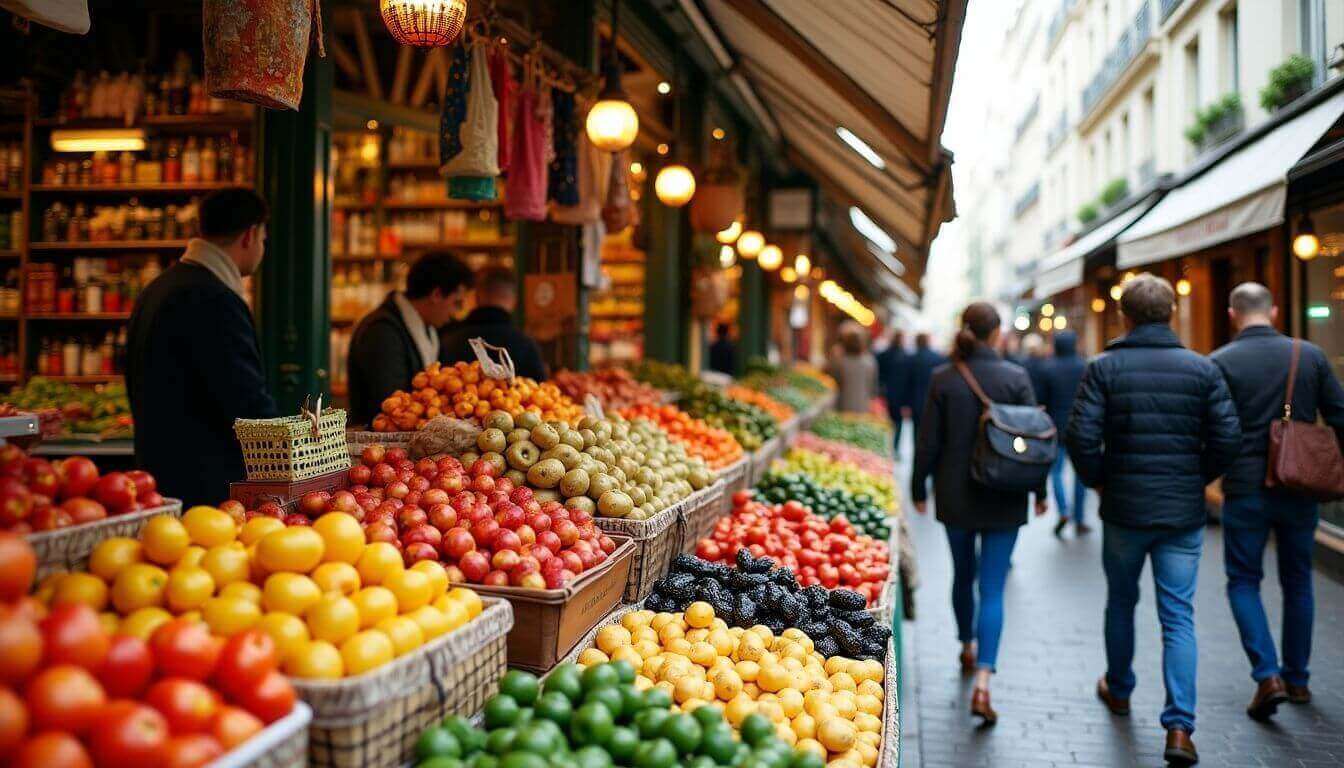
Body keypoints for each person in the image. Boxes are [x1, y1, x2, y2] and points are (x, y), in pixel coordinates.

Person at [1066, 274, 1241, 766]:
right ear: (1169, 314)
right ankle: (1180, 728)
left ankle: (1119, 689)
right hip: (1182, 512)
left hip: (1125, 509)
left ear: (1125, 316)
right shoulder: (1202, 370)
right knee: (1178, 616)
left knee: (1121, 602)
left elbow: (1080, 436)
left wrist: (1100, 480)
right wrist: (1197, 478)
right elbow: (1229, 438)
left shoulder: (1104, 367)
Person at [1210, 282, 1344, 719]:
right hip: (1300, 484)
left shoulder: (1220, 363)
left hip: (1246, 488)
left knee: (1243, 580)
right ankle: (1299, 680)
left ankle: (1267, 674)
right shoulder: (1309, 356)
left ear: (1233, 314)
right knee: (1298, 580)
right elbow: (1339, 415)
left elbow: (1212, 431)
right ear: (1275, 310)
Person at [910, 302, 1047, 725]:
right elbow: (1034, 440)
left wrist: (919, 487)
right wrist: (1040, 491)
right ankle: (984, 681)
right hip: (1006, 496)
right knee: (992, 589)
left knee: (962, 576)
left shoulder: (944, 378)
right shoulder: (1016, 377)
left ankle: (966, 645)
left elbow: (928, 441)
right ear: (996, 333)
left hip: (957, 496)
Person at [127, 188, 279, 507]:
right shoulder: (215, 299)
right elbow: (245, 402)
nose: (263, 248)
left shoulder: (158, 287)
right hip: (204, 491)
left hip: (157, 478)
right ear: (250, 236)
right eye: (264, 240)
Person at [347, 251, 474, 428]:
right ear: (436, 295)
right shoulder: (382, 331)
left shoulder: (426, 329)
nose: (455, 313)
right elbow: (390, 405)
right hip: (375, 444)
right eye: (456, 303)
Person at [440, 267, 548, 381]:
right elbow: (539, 390)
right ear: (514, 300)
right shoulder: (526, 346)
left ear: (476, 297)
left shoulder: (449, 340)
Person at [1041, 330, 1089, 537]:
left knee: (1056, 473)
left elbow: (1042, 400)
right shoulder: (1084, 367)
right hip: (1081, 426)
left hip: (1055, 428)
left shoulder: (1048, 368)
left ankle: (1063, 511)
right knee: (1081, 475)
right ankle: (1079, 518)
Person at [826, 322, 877, 413]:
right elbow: (872, 386)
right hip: (863, 404)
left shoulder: (840, 362)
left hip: (843, 405)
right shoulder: (869, 361)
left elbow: (832, 381)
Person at [876, 330, 913, 455]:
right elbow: (909, 381)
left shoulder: (883, 355)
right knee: (898, 425)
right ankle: (895, 448)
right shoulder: (907, 358)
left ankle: (885, 448)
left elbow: (879, 376)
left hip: (885, 395)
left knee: (883, 423)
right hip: (900, 397)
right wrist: (907, 402)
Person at [908, 332, 946, 437]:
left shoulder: (911, 359)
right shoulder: (938, 359)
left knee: (915, 433)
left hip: (915, 401)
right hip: (933, 402)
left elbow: (908, 383)